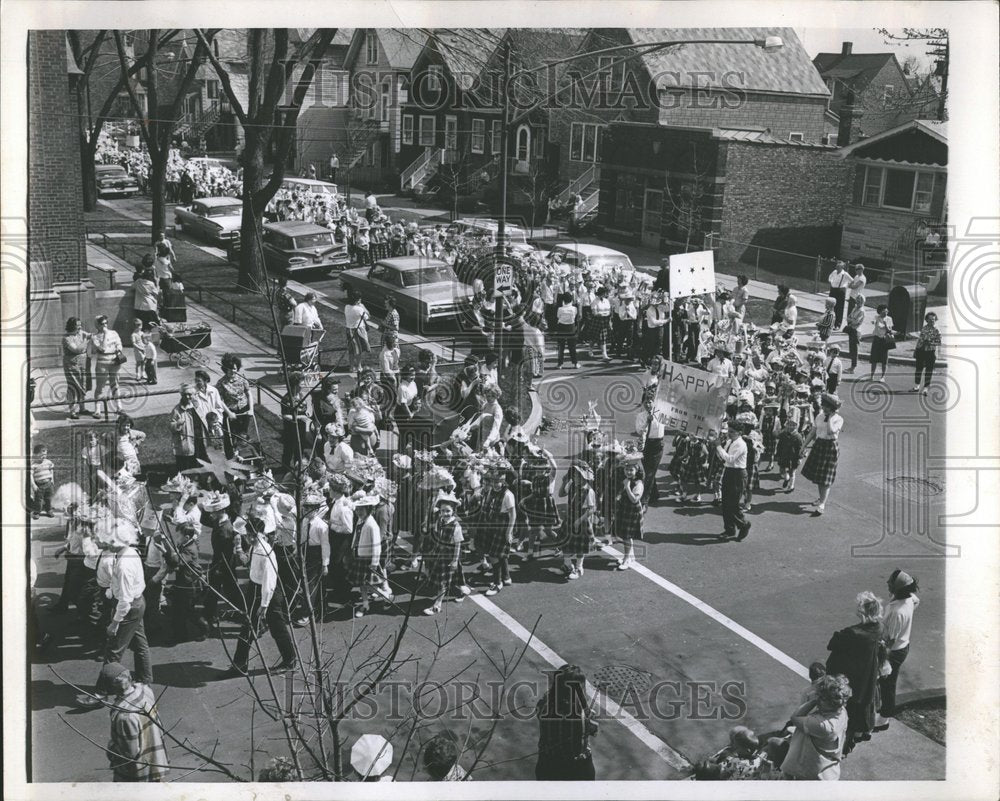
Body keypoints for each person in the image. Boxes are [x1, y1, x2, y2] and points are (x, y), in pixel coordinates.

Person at [222, 516, 299, 677]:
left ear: (259, 534)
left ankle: (290, 660)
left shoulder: (265, 551)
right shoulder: (254, 546)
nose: (249, 538)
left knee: (277, 628)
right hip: (255, 589)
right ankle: (240, 664)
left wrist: (264, 604)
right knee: (248, 627)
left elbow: (269, 580)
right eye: (248, 535)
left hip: (267, 593)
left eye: (252, 535)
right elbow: (249, 564)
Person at [825, 590, 887, 755]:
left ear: (862, 611)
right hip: (868, 673)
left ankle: (843, 744)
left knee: (847, 707)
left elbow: (833, 644)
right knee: (863, 704)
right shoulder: (879, 628)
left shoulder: (852, 633)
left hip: (851, 674)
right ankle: (858, 734)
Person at [100, 662, 169, 782]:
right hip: (156, 758)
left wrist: (111, 750)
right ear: (129, 677)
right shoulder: (145, 690)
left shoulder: (124, 716)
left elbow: (129, 753)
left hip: (139, 770)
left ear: (110, 688)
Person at [780, 674, 851, 780]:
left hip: (811, 774)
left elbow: (795, 717)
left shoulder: (820, 725)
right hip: (828, 771)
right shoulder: (842, 712)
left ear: (825, 700)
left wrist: (813, 701)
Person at [535, 664, 598, 780]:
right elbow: (590, 733)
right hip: (576, 769)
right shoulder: (579, 716)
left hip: (547, 763)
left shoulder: (545, 703)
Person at [876, 569, 920, 730]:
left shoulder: (897, 612)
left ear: (897, 588)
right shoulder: (909, 600)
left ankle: (884, 719)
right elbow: (916, 601)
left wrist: (882, 658)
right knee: (885, 682)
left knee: (887, 684)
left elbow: (890, 639)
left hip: (893, 652)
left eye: (890, 582)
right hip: (902, 646)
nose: (887, 583)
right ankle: (883, 711)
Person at [800, 392, 843, 515]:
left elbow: (831, 432)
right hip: (819, 445)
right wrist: (803, 446)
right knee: (819, 477)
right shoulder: (819, 416)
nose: (823, 408)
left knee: (825, 478)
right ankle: (821, 498)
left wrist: (829, 418)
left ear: (832, 407)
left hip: (830, 447)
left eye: (826, 406)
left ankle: (822, 504)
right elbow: (812, 432)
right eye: (823, 405)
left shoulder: (838, 419)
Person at [422, 491, 464, 615]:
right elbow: (436, 535)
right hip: (439, 553)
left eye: (447, 511)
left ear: (453, 511)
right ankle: (461, 592)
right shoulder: (439, 521)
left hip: (449, 556)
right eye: (442, 511)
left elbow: (458, 544)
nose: (444, 514)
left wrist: (455, 560)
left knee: (443, 581)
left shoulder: (456, 525)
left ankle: (437, 604)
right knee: (449, 579)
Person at [480, 468, 516, 595]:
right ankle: (506, 577)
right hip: (492, 523)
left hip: (502, 524)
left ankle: (497, 583)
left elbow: (513, 515)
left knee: (493, 555)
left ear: (503, 481)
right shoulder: (491, 491)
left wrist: (509, 532)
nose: (495, 484)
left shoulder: (508, 495)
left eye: (498, 481)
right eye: (494, 481)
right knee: (499, 553)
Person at [348, 493, 382, 618]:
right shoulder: (360, 521)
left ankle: (385, 595)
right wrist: (352, 548)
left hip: (367, 559)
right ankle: (365, 603)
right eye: (357, 509)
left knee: (368, 584)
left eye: (361, 509)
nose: (358, 512)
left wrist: (374, 562)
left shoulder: (372, 525)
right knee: (362, 584)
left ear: (368, 509)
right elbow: (356, 536)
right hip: (359, 556)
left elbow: (377, 545)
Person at [716, 421, 751, 541]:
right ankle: (729, 529)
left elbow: (730, 459)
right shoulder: (730, 442)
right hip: (729, 472)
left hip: (738, 475)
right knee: (725, 504)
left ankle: (743, 524)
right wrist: (718, 447)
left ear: (739, 433)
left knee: (733, 504)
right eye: (728, 431)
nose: (729, 434)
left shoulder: (741, 444)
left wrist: (718, 446)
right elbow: (723, 456)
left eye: (732, 432)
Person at [217, 353, 255, 459]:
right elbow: (219, 400)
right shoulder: (221, 383)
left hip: (244, 410)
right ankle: (230, 458)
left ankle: (244, 457)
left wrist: (251, 409)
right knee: (230, 436)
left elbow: (249, 394)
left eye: (234, 368)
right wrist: (229, 413)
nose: (232, 371)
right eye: (229, 369)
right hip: (230, 412)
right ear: (225, 369)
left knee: (243, 435)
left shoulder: (242, 379)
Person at [612, 453, 644, 570]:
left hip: (632, 511)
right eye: (627, 469)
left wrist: (627, 487)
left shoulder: (638, 484)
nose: (628, 472)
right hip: (625, 509)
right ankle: (632, 556)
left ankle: (626, 559)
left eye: (631, 470)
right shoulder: (628, 480)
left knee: (627, 536)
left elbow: (635, 499)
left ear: (636, 470)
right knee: (625, 535)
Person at [89, 314, 124, 418]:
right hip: (102, 363)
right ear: (97, 325)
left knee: (115, 384)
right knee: (100, 386)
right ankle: (97, 410)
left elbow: (119, 343)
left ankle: (119, 407)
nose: (105, 325)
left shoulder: (114, 333)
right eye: (102, 324)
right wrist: (105, 334)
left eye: (106, 323)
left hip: (114, 361)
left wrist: (118, 349)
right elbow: (102, 349)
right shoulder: (94, 337)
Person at [635, 392, 666, 505]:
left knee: (650, 473)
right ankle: (655, 493)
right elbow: (638, 430)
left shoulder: (661, 413)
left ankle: (645, 499)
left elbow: (661, 428)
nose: (648, 404)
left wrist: (654, 419)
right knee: (648, 470)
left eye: (650, 402)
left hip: (657, 445)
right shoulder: (640, 416)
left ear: (654, 402)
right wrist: (647, 421)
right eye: (645, 402)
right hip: (645, 444)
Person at [169, 384, 208, 472]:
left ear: (194, 395)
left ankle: (203, 480)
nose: (187, 396)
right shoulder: (177, 410)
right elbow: (171, 427)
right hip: (188, 440)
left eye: (190, 394)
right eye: (185, 394)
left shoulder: (199, 406)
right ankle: (190, 481)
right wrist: (177, 424)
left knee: (203, 460)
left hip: (201, 438)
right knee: (189, 462)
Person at [62, 317, 92, 419]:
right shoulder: (67, 338)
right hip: (71, 364)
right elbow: (77, 350)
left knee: (82, 385)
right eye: (77, 325)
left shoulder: (80, 333)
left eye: (80, 325)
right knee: (73, 386)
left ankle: (82, 408)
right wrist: (86, 341)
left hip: (83, 363)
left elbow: (90, 335)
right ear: (72, 326)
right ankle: (72, 411)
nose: (80, 327)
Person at [913, 312, 941, 394]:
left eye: (933, 319)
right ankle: (917, 385)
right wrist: (916, 350)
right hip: (921, 350)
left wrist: (930, 343)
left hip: (930, 352)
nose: (932, 321)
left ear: (935, 319)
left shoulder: (937, 330)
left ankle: (926, 387)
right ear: (926, 320)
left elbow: (939, 342)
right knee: (918, 368)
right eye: (930, 320)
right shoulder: (924, 328)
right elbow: (919, 340)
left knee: (929, 370)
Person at [344, 289, 371, 374]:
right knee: (358, 350)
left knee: (351, 350)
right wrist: (363, 307)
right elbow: (368, 316)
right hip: (357, 330)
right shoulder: (359, 309)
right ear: (357, 299)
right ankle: (359, 366)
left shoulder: (346, 307)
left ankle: (351, 367)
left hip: (349, 329)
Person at [776, 418, 804, 491]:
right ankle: (786, 478)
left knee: (792, 471)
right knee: (782, 469)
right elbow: (779, 445)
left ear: (796, 426)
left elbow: (801, 448)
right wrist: (778, 454)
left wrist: (800, 458)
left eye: (793, 425)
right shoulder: (783, 434)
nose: (790, 427)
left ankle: (791, 486)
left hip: (793, 457)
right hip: (784, 455)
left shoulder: (798, 436)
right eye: (788, 424)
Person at [869, 304, 894, 382]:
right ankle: (872, 375)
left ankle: (883, 377)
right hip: (876, 339)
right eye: (884, 311)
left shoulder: (889, 319)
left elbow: (889, 330)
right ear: (880, 312)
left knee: (884, 359)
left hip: (884, 340)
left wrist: (886, 325)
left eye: (887, 311)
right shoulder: (877, 317)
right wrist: (875, 321)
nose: (886, 312)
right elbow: (873, 322)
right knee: (874, 358)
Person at [554, 292, 579, 370]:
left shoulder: (560, 309)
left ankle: (559, 364)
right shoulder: (574, 309)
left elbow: (558, 316)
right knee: (572, 346)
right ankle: (575, 363)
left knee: (561, 347)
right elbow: (575, 316)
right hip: (571, 327)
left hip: (561, 327)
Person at [827, 260, 850, 329]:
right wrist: (831, 282)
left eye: (839, 267)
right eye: (837, 266)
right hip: (833, 290)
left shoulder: (845, 274)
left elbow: (852, 281)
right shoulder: (834, 272)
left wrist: (845, 285)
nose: (837, 268)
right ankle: (829, 322)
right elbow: (829, 278)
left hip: (840, 291)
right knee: (830, 306)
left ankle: (837, 324)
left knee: (839, 308)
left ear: (842, 267)